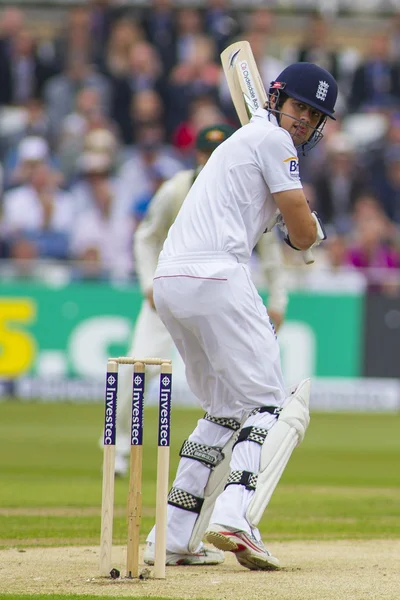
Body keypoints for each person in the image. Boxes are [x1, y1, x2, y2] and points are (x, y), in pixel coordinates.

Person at [143, 62, 338, 570]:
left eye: (314, 116)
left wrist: (301, 228)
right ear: (276, 99)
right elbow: (297, 225)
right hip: (215, 276)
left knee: (224, 410)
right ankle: (234, 516)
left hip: (172, 282)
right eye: (299, 107)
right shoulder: (273, 142)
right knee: (269, 405)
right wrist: (310, 231)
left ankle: (174, 535)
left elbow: (285, 220)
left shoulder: (246, 141)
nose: (303, 121)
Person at [113, 123, 289, 476]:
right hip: (166, 293)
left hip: (222, 294)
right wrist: (147, 282)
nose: (212, 160)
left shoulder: (250, 190)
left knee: (230, 387)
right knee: (138, 369)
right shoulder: (176, 189)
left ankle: (229, 458)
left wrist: (278, 301)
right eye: (206, 154)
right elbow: (145, 237)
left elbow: (271, 253)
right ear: (197, 156)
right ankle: (119, 449)